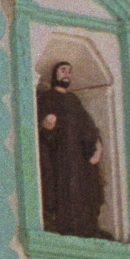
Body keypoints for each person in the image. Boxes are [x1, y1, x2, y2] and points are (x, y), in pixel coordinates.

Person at [37, 61, 106, 237]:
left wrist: (96, 146)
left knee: (81, 189)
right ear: (55, 74)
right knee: (63, 188)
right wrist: (47, 126)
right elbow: (41, 128)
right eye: (63, 70)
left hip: (78, 156)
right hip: (59, 155)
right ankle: (62, 224)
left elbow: (87, 125)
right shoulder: (47, 97)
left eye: (69, 71)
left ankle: (84, 226)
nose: (67, 74)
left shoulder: (74, 100)